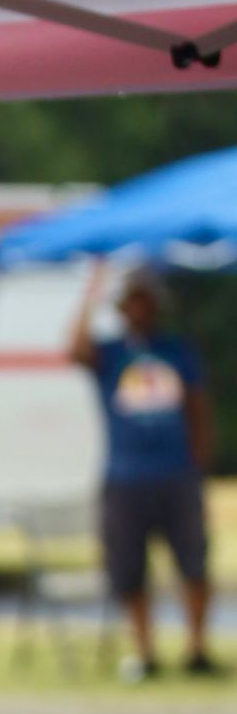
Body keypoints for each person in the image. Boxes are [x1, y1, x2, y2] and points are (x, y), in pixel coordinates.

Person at [69, 263, 221, 681]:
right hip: (125, 475)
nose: (140, 309)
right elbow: (74, 350)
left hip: (175, 473)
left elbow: (198, 408)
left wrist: (199, 463)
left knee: (193, 562)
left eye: (146, 300)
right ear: (122, 308)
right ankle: (145, 651)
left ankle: (197, 648)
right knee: (129, 568)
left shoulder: (176, 350)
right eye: (132, 301)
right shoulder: (113, 353)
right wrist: (91, 294)